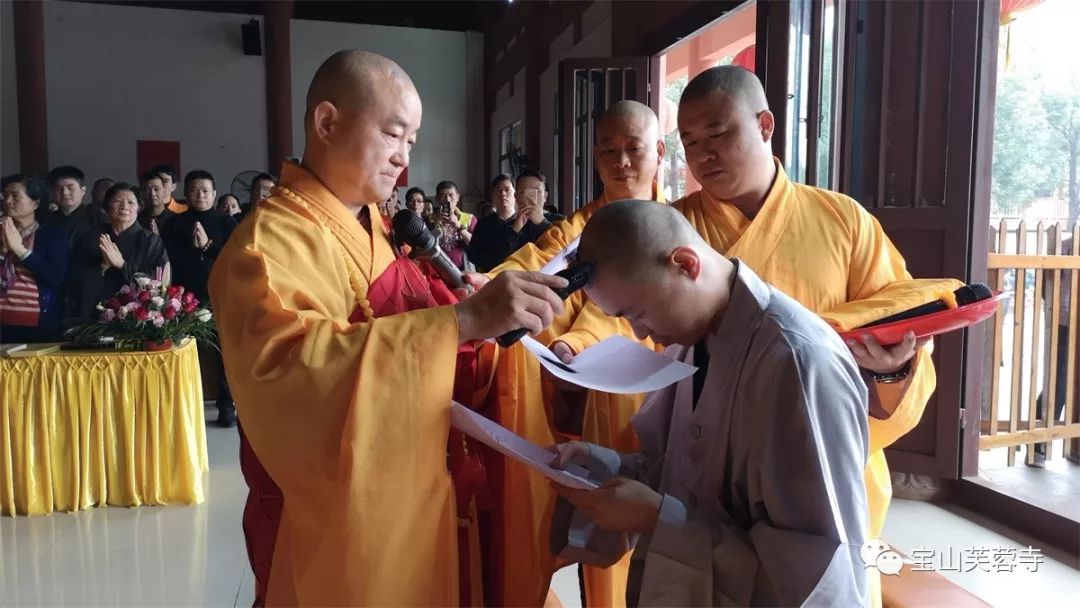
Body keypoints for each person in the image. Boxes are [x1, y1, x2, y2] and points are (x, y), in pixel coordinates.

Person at [207, 49, 567, 606]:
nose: (403, 159)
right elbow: (295, 376)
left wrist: (469, 318)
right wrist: (461, 322)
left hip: (424, 482)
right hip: (347, 515)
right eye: (394, 135)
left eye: (412, 143)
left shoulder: (374, 222)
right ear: (327, 122)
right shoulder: (266, 246)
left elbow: (417, 318)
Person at [670, 67, 961, 604]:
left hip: (827, 466)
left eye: (718, 134)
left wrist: (893, 366)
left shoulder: (844, 219)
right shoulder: (671, 228)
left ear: (764, 125)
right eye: (689, 142)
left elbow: (896, 319)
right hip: (710, 467)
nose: (703, 153)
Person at [550, 200, 870, 606]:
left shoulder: (799, 361)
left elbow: (818, 572)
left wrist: (656, 518)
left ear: (685, 264)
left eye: (639, 313)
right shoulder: (694, 339)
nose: (641, 332)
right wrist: (599, 467)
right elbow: (683, 472)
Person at [471, 100, 668, 607]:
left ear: (660, 152)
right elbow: (528, 270)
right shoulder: (572, 232)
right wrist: (483, 289)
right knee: (604, 555)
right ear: (595, 159)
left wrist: (579, 337)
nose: (621, 162)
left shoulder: (683, 226)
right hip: (590, 408)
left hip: (675, 402)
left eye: (633, 149)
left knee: (679, 550)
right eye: (608, 151)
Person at [167, 170, 238, 427]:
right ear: (186, 194)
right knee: (184, 352)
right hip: (184, 298)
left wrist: (208, 246)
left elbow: (236, 260)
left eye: (205, 190)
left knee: (224, 353)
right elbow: (169, 261)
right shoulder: (175, 223)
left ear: (214, 193)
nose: (200, 195)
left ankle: (226, 405)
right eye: (195, 190)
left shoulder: (226, 223)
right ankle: (185, 404)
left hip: (220, 296)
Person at [69, 182, 169, 322]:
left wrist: (122, 265)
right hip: (95, 315)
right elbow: (74, 275)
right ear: (107, 206)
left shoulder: (149, 241)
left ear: (139, 207)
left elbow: (159, 279)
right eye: (117, 201)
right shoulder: (92, 237)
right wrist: (101, 268)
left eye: (131, 202)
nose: (124, 206)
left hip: (136, 317)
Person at [1, 175, 68, 343]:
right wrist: (2, 251)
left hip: (34, 324)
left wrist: (20, 250)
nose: (8, 201)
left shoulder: (53, 235)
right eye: (5, 195)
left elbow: (55, 277)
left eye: (15, 196)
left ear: (36, 203)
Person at [468, 172, 551, 272]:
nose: (502, 194)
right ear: (492, 196)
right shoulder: (484, 224)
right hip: (494, 277)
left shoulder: (533, 222)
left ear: (514, 195)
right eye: (498, 190)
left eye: (507, 190)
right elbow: (474, 256)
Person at [46, 165, 94, 245]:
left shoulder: (96, 219)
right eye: (58, 189)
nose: (65, 193)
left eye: (70, 188)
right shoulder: (47, 221)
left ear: (83, 190)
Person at [433, 180, 476, 270]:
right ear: (437, 198)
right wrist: (436, 224)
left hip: (464, 270)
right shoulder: (429, 219)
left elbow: (476, 245)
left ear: (457, 197)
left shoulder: (469, 218)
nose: (447, 199)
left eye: (451, 195)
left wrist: (459, 228)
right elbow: (424, 246)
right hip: (435, 271)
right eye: (443, 195)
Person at [139, 171, 176, 237]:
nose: (152, 194)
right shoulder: (135, 220)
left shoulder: (176, 220)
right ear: (141, 192)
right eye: (147, 190)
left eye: (156, 189)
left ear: (164, 191)